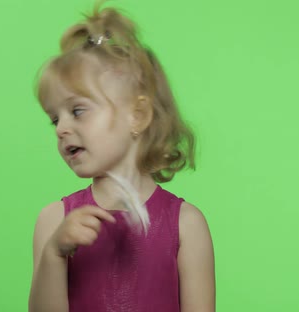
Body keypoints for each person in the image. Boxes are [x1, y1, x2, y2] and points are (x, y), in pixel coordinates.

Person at [28, 2, 215, 311]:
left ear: (137, 116)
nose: (61, 128)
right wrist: (54, 255)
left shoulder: (186, 225)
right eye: (54, 118)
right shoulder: (53, 222)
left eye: (77, 111)